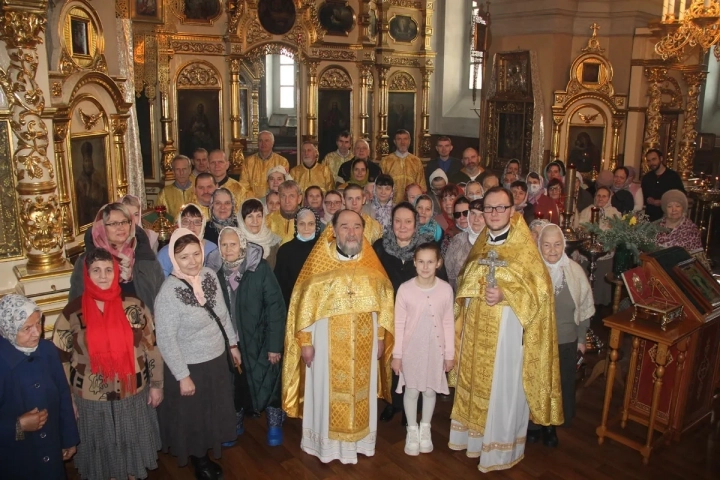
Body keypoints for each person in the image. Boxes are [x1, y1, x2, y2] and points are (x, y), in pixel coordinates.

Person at [449, 186, 563, 472]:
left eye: (501, 208)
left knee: (503, 386)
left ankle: (499, 449)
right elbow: (466, 278)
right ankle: (475, 442)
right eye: (489, 208)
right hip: (477, 329)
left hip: (509, 332)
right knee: (476, 381)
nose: (495, 213)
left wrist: (505, 294)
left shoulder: (524, 247)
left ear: (512, 211)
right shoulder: (482, 244)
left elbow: (540, 292)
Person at [282, 209, 395, 464]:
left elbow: (383, 307)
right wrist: (306, 343)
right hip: (325, 348)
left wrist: (379, 338)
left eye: (356, 226)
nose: (351, 232)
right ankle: (328, 447)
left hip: (364, 347)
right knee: (326, 392)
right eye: (345, 226)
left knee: (361, 393)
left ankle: (359, 443)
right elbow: (303, 309)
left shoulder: (371, 265)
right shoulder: (318, 265)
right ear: (333, 230)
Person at [55, 249, 163, 479]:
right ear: (86, 274)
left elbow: (151, 347)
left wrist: (157, 384)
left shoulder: (134, 306)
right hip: (90, 399)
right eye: (96, 271)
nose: (103, 276)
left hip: (132, 392)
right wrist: (68, 400)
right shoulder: (72, 312)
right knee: (102, 459)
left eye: (108, 270)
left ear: (116, 273)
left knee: (132, 453)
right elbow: (61, 359)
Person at [154, 229, 240, 478]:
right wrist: (182, 376)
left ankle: (208, 450)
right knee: (194, 417)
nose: (192, 261)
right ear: (173, 258)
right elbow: (166, 340)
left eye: (195, 254)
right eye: (184, 257)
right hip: (190, 366)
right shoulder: (168, 293)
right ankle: (200, 461)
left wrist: (233, 346)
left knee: (212, 411)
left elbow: (223, 315)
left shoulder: (210, 276)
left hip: (214, 360)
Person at [215, 226, 286, 446]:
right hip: (231, 342)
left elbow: (276, 307)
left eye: (233, 244)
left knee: (269, 381)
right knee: (236, 383)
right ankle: (235, 422)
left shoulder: (259, 268)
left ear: (242, 245)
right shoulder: (214, 272)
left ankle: (274, 423)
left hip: (261, 339)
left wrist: (274, 345)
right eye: (224, 245)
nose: (228, 250)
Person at [0, 295, 79, 480]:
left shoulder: (47, 350)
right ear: (9, 330)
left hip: (50, 447)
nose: (37, 333)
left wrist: (68, 438)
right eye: (27, 328)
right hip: (14, 458)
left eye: (38, 323)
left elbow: (62, 395)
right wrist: (17, 426)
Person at [392, 243, 455, 456]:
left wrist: (449, 354)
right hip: (411, 349)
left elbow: (448, 323)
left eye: (430, 262)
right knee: (411, 390)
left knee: (429, 390)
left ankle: (425, 428)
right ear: (414, 262)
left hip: (435, 349)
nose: (425, 266)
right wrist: (397, 355)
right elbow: (399, 324)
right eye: (421, 261)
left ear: (438, 263)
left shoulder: (445, 289)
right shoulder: (405, 289)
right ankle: (412, 430)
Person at [533, 224, 594, 432]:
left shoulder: (575, 271)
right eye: (547, 245)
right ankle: (535, 424)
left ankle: (554, 425)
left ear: (564, 245)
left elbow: (584, 307)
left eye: (557, 245)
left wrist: (581, 339)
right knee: (538, 384)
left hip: (566, 340)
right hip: (537, 340)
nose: (552, 250)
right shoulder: (533, 271)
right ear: (539, 246)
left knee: (562, 383)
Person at [69, 203, 164, 315]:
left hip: (142, 327)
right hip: (103, 328)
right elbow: (76, 306)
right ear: (102, 228)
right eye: (113, 223)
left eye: (124, 222)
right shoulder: (87, 262)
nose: (120, 227)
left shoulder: (146, 258)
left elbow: (162, 302)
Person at [575, 186, 620, 306]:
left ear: (609, 198)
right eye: (598, 195)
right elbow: (580, 229)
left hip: (605, 254)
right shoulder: (586, 211)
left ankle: (600, 306)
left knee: (601, 284)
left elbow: (614, 232)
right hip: (587, 253)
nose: (600, 198)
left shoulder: (614, 213)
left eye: (604, 196)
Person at [274, 208, 322, 309]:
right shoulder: (285, 251)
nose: (306, 228)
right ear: (296, 225)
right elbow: (280, 286)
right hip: (293, 306)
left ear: (316, 225)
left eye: (310, 224)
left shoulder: (323, 248)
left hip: (320, 307)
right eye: (302, 224)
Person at [158, 203, 219, 277]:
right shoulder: (165, 253)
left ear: (203, 225)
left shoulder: (212, 248)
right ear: (179, 224)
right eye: (186, 221)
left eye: (196, 222)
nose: (191, 226)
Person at [655, 190, 711, 269]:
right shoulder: (654, 227)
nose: (674, 210)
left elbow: (698, 260)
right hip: (656, 271)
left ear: (683, 208)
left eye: (678, 206)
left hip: (681, 273)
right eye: (669, 206)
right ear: (664, 208)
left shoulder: (691, 230)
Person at [445, 198, 485, 291]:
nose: (476, 219)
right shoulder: (457, 241)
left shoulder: (494, 242)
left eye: (482, 215)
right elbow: (449, 278)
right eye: (473, 213)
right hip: (460, 299)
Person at [380, 129, 427, 204]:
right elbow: (381, 185)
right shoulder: (386, 161)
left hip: (412, 204)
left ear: (409, 141)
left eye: (405, 139)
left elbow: (421, 186)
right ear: (395, 141)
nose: (402, 142)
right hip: (391, 204)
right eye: (399, 139)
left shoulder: (416, 161)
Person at [241, 131, 291, 198]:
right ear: (257, 143)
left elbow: (284, 186)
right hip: (254, 203)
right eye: (260, 141)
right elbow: (243, 187)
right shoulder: (248, 162)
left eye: (266, 140)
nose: (263, 143)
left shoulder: (282, 161)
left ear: (272, 143)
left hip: (275, 202)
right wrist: (256, 201)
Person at [641, 148, 686, 221]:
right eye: (649, 161)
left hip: (669, 217)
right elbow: (644, 197)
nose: (651, 163)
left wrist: (662, 202)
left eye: (654, 159)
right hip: (651, 218)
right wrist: (648, 200)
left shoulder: (673, 176)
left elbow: (680, 195)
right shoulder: (647, 177)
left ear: (661, 159)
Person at [237, 198, 282, 269]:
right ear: (242, 220)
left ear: (263, 217)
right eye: (250, 216)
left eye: (259, 216)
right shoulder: (235, 242)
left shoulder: (274, 243)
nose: (255, 221)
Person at [74, 140, 108, 226]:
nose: (88, 164)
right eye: (86, 161)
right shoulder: (80, 181)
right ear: (83, 163)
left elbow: (103, 197)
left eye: (89, 161)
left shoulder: (98, 177)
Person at [157, 154, 196, 220]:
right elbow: (160, 218)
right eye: (178, 169)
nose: (181, 173)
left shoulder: (198, 190)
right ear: (173, 172)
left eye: (184, 169)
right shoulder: (164, 193)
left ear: (190, 170)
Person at [266, 180, 302, 245]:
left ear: (299, 199)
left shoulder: (307, 220)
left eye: (291, 196)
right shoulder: (267, 220)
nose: (287, 201)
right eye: (283, 196)